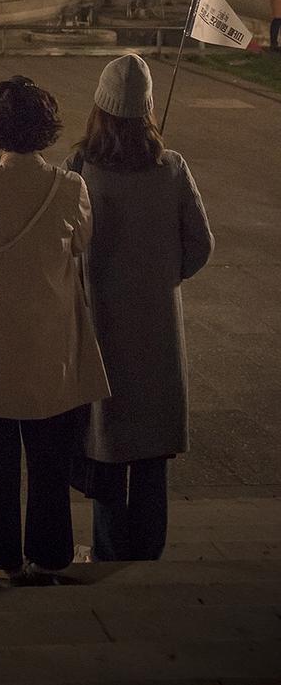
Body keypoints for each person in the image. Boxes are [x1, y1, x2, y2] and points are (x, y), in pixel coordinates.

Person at [0, 76, 109, 585]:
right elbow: (81, 245)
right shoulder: (70, 187)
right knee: (49, 460)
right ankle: (50, 553)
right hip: (50, 341)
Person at [66, 55, 213, 561]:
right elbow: (201, 245)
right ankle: (148, 548)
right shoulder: (171, 168)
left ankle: (108, 546)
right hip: (157, 327)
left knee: (108, 441)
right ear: (148, 110)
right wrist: (162, 279)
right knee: (151, 446)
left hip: (100, 323)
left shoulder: (81, 169)